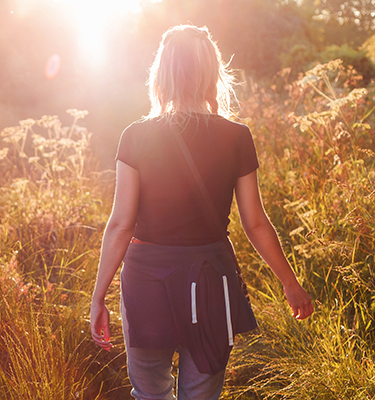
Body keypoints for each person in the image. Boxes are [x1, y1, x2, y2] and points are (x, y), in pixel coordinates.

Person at [89, 25, 314, 400]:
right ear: (212, 73)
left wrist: (98, 297)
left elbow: (120, 225)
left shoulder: (135, 136)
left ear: (161, 75)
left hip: (147, 284)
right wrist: (289, 282)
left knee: (150, 393)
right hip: (212, 280)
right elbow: (254, 222)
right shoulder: (236, 136)